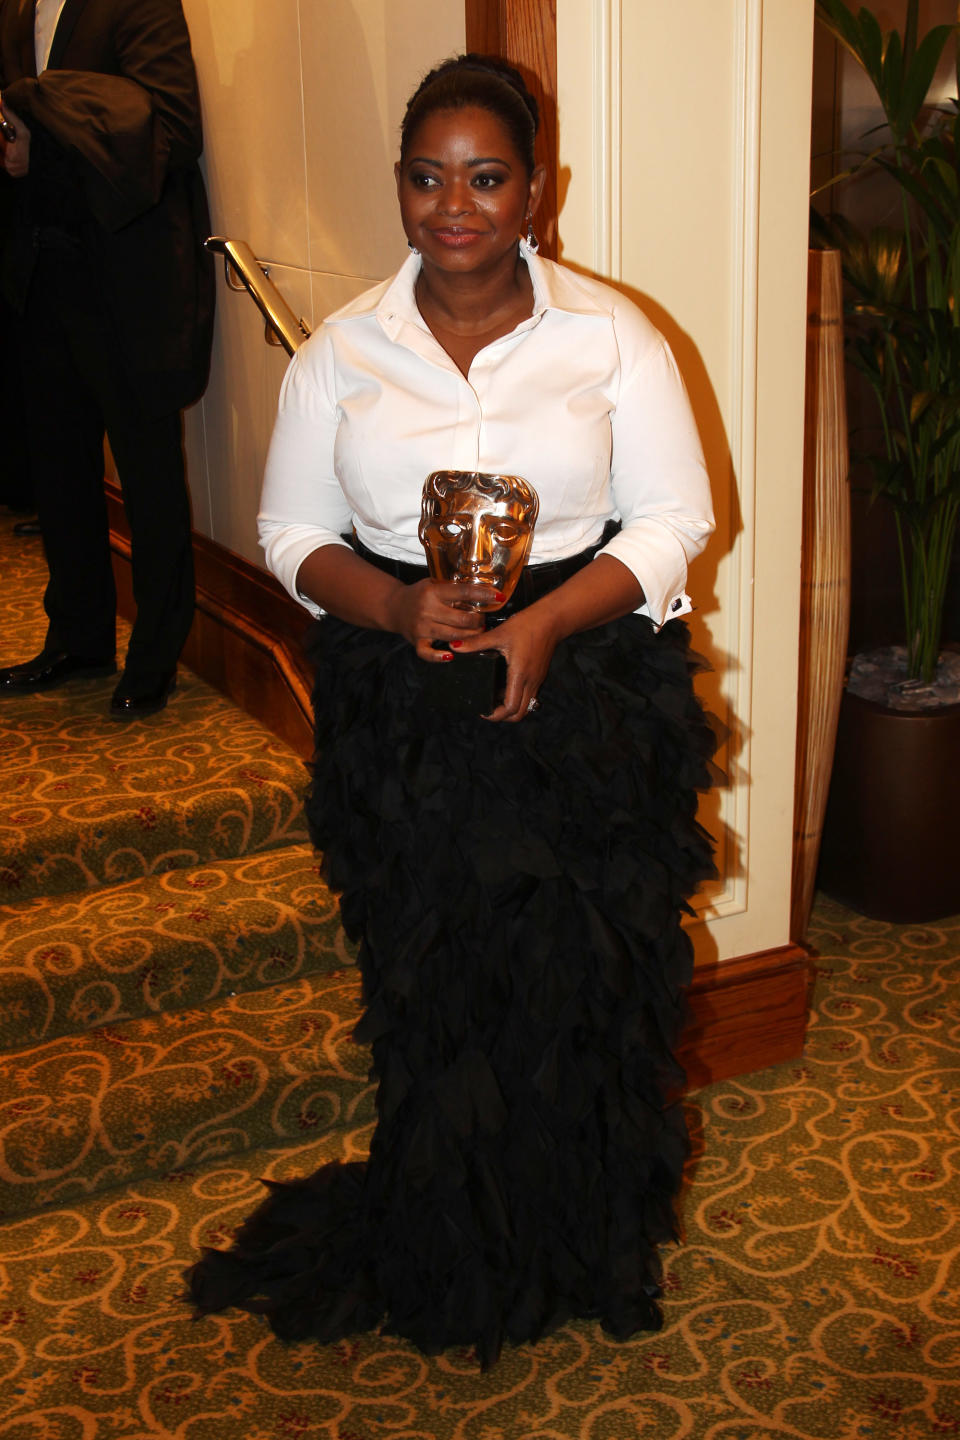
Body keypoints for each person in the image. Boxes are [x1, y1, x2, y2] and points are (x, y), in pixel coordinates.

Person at [187, 54, 717, 1367]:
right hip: (406, 698)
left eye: (486, 177)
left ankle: (595, 1245)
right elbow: (292, 529)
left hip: (588, 688)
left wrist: (542, 620)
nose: (455, 206)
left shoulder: (613, 336)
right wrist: (390, 608)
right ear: (403, 187)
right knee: (441, 989)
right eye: (428, 178)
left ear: (538, 191)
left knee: (588, 986)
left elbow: (675, 519)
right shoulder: (342, 353)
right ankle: (455, 1242)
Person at [0, 0, 214, 718]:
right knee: (58, 468)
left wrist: (43, 139)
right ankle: (78, 635)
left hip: (125, 273)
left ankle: (155, 654)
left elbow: (174, 130)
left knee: (147, 468)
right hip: (39, 267)